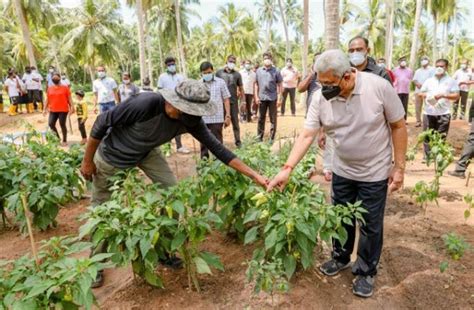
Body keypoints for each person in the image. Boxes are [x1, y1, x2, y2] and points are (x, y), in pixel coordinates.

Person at [80, 80, 267, 287]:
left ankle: (163, 250)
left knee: (173, 194)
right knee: (103, 212)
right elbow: (101, 123)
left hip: (147, 152)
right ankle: (94, 267)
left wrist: (254, 175)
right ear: (175, 103)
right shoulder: (144, 104)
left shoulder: (190, 120)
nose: (192, 117)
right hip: (113, 155)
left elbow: (218, 149)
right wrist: (87, 161)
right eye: (188, 111)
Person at [268, 49, 407, 298]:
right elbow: (308, 134)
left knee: (370, 224)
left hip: (374, 171)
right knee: (340, 217)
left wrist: (399, 167)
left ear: (347, 75)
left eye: (330, 83)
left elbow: (398, 126)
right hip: (343, 169)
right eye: (321, 83)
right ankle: (340, 257)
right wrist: (287, 168)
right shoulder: (321, 98)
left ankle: (365, 271)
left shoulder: (378, 87)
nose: (325, 88)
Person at [419, 59, 460, 158]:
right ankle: (428, 156)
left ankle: (438, 155)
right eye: (437, 66)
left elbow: (456, 96)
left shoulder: (451, 81)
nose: (439, 68)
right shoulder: (429, 80)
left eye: (441, 66)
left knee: (441, 135)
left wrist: (444, 95)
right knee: (427, 135)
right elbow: (420, 93)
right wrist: (429, 96)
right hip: (428, 112)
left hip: (444, 113)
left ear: (446, 67)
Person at [157, 56, 190, 154]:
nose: (171, 66)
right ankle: (167, 148)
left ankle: (179, 146)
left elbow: (184, 90)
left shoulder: (180, 77)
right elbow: (159, 90)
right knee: (166, 126)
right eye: (169, 65)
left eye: (173, 64)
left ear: (175, 64)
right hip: (166, 105)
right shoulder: (162, 77)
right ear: (166, 66)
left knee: (177, 125)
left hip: (179, 105)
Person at [200, 61, 231, 158]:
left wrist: (228, 115)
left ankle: (218, 163)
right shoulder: (199, 84)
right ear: (201, 73)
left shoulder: (220, 82)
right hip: (203, 118)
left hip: (217, 118)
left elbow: (226, 99)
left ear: (212, 71)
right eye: (204, 73)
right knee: (203, 142)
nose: (207, 75)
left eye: (209, 72)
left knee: (218, 142)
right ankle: (204, 164)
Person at [216, 55, 244, 147]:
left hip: (233, 102)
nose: (232, 63)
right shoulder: (219, 73)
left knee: (235, 123)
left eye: (233, 61)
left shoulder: (237, 74)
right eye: (230, 61)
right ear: (226, 62)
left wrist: (243, 101)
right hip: (221, 102)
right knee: (219, 123)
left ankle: (238, 142)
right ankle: (219, 143)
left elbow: (241, 88)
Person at [255, 52, 283, 142]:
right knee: (260, 118)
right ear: (263, 60)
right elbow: (256, 84)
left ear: (271, 59)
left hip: (273, 98)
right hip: (262, 98)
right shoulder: (259, 71)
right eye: (265, 58)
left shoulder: (276, 71)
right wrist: (256, 96)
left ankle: (271, 138)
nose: (267, 59)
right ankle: (259, 138)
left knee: (273, 119)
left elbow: (280, 84)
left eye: (268, 58)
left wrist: (280, 98)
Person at [43, 72, 75, 146]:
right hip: (53, 109)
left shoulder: (65, 88)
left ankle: (64, 140)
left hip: (63, 109)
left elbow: (69, 98)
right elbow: (47, 99)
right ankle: (57, 138)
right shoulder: (49, 89)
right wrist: (44, 109)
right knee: (51, 124)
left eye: (56, 77)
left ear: (59, 78)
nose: (55, 79)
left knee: (62, 124)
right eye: (53, 78)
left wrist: (72, 107)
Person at [412, 56, 435, 127]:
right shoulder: (418, 71)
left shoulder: (432, 70)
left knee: (428, 106)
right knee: (417, 107)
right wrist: (418, 84)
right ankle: (418, 121)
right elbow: (414, 80)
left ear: (428, 61)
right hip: (418, 91)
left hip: (428, 92)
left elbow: (433, 79)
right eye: (422, 59)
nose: (423, 61)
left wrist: (425, 86)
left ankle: (428, 121)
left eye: (425, 59)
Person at [392, 57, 413, 121]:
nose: (403, 62)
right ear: (399, 62)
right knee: (397, 105)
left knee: (404, 105)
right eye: (402, 61)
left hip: (406, 90)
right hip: (397, 90)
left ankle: (404, 120)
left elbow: (410, 79)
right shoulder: (395, 70)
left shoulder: (409, 70)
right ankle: (397, 119)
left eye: (404, 60)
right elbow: (393, 79)